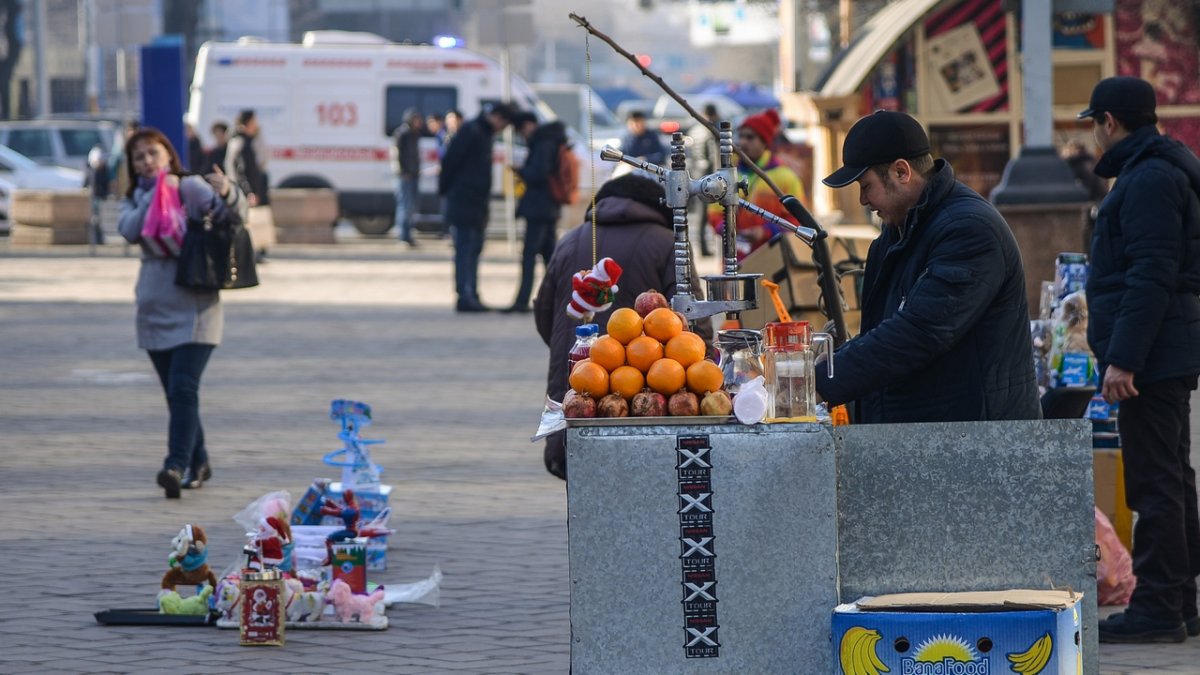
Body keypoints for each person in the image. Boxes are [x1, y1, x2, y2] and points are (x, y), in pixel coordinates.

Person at [813, 110, 1040, 424]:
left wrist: (819, 382)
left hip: (976, 444)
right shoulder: (895, 236)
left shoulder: (969, 229)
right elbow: (882, 333)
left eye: (866, 186)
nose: (863, 200)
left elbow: (919, 332)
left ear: (902, 172)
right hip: (923, 440)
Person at [1079, 76, 1200, 644]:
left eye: (1094, 124)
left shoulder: (1149, 179)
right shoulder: (1156, 170)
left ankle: (1158, 607)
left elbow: (1150, 275)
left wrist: (1123, 359)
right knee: (1171, 477)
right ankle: (1178, 600)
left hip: (1152, 355)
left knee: (1154, 482)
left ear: (1109, 122)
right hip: (1165, 348)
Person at [533, 173, 714, 479]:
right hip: (646, 396)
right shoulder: (668, 243)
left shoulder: (570, 240)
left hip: (578, 389)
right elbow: (693, 320)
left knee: (584, 491)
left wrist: (585, 354)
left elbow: (544, 314)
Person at [116, 128, 249, 498]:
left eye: (153, 154)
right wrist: (155, 193)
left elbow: (234, 215)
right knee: (177, 395)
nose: (146, 162)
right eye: (139, 157)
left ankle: (175, 465)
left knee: (183, 387)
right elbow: (129, 230)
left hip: (195, 302)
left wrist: (226, 190)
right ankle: (201, 459)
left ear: (168, 155)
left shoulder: (189, 188)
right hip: (154, 305)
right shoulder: (133, 199)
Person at [438, 102, 514, 312]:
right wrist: (446, 191)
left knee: (474, 250)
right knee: (465, 250)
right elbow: (450, 163)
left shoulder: (482, 132)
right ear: (497, 118)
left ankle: (472, 293)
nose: (502, 129)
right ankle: (465, 295)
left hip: (476, 203)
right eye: (504, 124)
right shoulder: (472, 131)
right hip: (464, 201)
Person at [706, 108, 804, 259]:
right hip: (735, 258)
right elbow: (714, 214)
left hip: (772, 258)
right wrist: (727, 230)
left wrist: (766, 231)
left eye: (750, 137)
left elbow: (796, 221)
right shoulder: (728, 176)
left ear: (764, 142)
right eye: (741, 136)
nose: (743, 142)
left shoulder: (785, 178)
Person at [505, 113, 568, 314]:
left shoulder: (542, 142)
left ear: (528, 125)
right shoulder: (551, 139)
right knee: (550, 257)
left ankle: (522, 301)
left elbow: (539, 173)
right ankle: (559, 300)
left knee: (530, 255)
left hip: (539, 207)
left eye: (521, 130)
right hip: (549, 207)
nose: (522, 135)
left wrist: (522, 170)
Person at [686, 103, 721, 257]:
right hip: (710, 177)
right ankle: (706, 247)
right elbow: (715, 158)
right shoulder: (711, 132)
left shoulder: (694, 131)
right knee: (711, 214)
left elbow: (691, 156)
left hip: (696, 174)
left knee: (700, 215)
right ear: (713, 115)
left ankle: (701, 247)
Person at [392, 108, 425, 247]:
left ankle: (408, 235)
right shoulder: (402, 134)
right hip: (405, 176)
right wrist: (402, 171)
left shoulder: (414, 134)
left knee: (411, 207)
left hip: (414, 174)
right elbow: (396, 155)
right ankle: (403, 236)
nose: (419, 122)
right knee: (405, 207)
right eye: (416, 119)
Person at [225, 109, 269, 207]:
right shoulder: (241, 142)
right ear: (248, 122)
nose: (257, 123)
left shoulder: (249, 140)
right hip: (243, 193)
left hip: (246, 191)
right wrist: (248, 192)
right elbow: (241, 169)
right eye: (254, 120)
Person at [84, 144, 110, 246]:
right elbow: (86, 183)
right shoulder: (91, 170)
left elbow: (106, 184)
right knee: (93, 219)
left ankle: (99, 240)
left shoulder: (103, 171)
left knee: (98, 219)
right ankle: (94, 240)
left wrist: (105, 194)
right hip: (91, 198)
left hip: (99, 197)